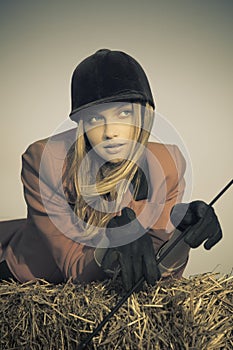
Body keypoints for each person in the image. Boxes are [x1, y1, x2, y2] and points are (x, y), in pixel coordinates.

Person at [0, 49, 222, 291]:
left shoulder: (168, 164)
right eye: (96, 119)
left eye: (124, 113)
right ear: (82, 125)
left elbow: (153, 271)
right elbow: (72, 267)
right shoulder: (43, 160)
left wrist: (182, 236)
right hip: (28, 276)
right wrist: (112, 240)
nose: (110, 132)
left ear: (143, 116)